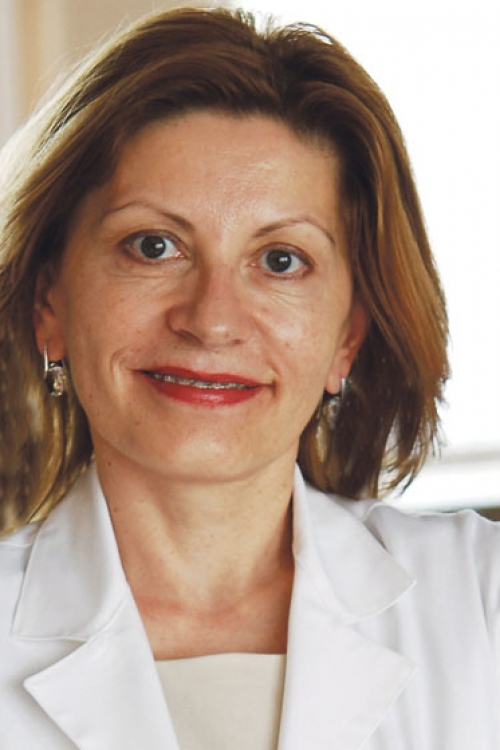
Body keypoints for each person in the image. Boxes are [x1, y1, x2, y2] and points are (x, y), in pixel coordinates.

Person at [0, 7, 498, 749]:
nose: (212, 321)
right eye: (153, 246)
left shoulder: (483, 600)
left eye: (281, 261)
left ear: (347, 336)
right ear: (50, 303)